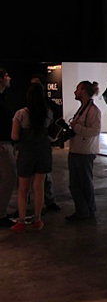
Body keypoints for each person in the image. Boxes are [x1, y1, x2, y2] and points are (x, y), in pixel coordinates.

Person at [10, 83, 53, 232]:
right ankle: (37, 219)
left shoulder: (20, 114)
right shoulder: (47, 113)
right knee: (39, 187)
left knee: (23, 188)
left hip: (26, 153)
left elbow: (14, 136)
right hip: (43, 152)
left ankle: (21, 221)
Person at [66, 81, 101, 221]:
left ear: (84, 91)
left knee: (83, 183)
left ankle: (85, 211)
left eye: (77, 89)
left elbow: (95, 130)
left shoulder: (93, 110)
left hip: (84, 152)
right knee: (77, 184)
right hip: (77, 150)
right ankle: (85, 210)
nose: (75, 92)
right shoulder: (84, 109)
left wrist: (76, 127)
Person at [30, 75, 61, 212]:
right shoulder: (26, 107)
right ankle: (31, 205)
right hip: (33, 146)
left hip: (41, 145)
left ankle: (48, 201)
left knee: (44, 175)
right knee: (32, 176)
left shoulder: (48, 105)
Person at [0, 68, 16, 227]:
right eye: (6, 76)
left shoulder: (3, 98)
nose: (9, 78)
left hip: (5, 143)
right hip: (2, 144)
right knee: (9, 177)